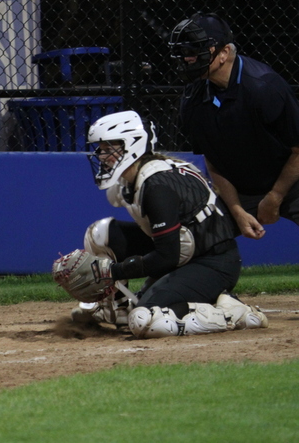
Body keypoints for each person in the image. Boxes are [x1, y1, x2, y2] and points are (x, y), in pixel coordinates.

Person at [56, 110, 267, 339]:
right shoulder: (131, 180)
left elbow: (167, 257)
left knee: (146, 320)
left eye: (109, 149)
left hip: (212, 263)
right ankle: (117, 308)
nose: (102, 156)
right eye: (101, 149)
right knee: (100, 234)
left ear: (132, 146)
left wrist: (112, 271)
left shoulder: (158, 186)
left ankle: (232, 313)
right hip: (185, 252)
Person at [170, 12, 299, 241]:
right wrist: (237, 210)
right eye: (184, 52)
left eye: (195, 50)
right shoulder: (193, 99)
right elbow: (213, 160)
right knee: (191, 240)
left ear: (224, 53)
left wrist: (276, 196)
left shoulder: (264, 88)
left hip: (291, 180)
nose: (187, 58)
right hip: (242, 190)